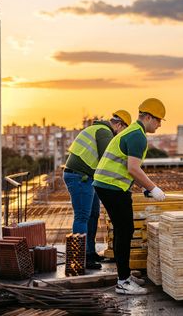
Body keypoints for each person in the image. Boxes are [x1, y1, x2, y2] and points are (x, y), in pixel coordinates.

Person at [93, 98, 167, 295]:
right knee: (125, 231)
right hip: (111, 187)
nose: (159, 124)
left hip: (108, 185)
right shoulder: (137, 136)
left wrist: (144, 187)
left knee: (123, 230)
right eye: (159, 120)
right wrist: (153, 188)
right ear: (149, 117)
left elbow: (126, 167)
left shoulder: (133, 131)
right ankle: (123, 281)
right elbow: (133, 168)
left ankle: (124, 275)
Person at [63, 110, 131, 269]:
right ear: (119, 125)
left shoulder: (100, 130)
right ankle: (81, 257)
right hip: (79, 177)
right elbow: (107, 160)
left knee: (93, 215)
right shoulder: (104, 132)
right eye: (124, 131)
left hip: (87, 177)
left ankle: (90, 252)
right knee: (82, 216)